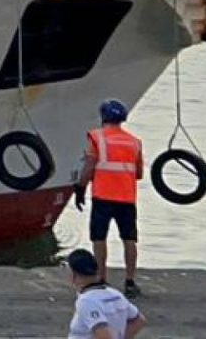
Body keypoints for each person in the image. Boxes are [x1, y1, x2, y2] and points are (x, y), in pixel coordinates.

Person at [76, 98, 144, 295]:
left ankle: (101, 278)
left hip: (103, 195)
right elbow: (138, 173)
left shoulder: (97, 137)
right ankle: (130, 281)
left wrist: (80, 188)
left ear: (103, 116)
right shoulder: (134, 142)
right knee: (129, 238)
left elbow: (90, 165)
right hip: (127, 197)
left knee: (99, 237)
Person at [63, 247, 145, 337]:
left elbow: (104, 335)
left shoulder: (86, 301)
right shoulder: (115, 294)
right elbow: (138, 320)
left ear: (74, 275)